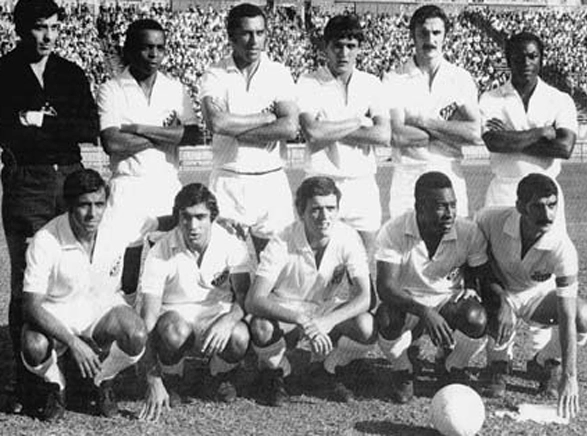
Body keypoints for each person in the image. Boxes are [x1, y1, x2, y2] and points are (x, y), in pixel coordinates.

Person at [0, 0, 98, 408]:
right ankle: (33, 384)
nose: (48, 36)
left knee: (78, 269)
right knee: (29, 277)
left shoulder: (70, 73)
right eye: (40, 27)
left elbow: (90, 128)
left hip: (69, 178)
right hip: (28, 180)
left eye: (54, 27)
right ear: (22, 28)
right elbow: (7, 130)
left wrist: (39, 121)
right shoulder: (4, 72)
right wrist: (47, 128)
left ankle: (81, 375)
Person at [20, 169, 147, 421]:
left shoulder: (118, 226)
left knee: (136, 334)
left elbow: (164, 221)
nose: (93, 214)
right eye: (84, 205)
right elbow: (31, 306)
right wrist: (72, 342)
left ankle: (104, 380)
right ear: (69, 205)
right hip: (57, 310)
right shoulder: (45, 239)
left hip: (100, 308)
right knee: (34, 345)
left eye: (99, 204)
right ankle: (57, 384)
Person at [246, 177, 375, 406]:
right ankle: (278, 373)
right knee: (261, 327)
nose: (325, 217)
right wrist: (301, 320)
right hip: (286, 307)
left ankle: (327, 368)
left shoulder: (348, 236)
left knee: (367, 326)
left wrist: (327, 321)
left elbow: (366, 297)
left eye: (330, 208)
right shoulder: (282, 240)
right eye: (316, 209)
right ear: (300, 211)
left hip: (324, 307)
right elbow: (254, 300)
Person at [476, 173, 587, 420]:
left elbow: (567, 312)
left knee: (583, 319)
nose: (547, 214)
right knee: (480, 309)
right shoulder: (489, 219)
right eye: (538, 206)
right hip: (500, 292)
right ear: (519, 206)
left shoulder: (562, 247)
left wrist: (569, 376)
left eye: (552, 205)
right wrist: (499, 298)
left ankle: (545, 361)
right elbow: (475, 263)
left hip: (537, 297)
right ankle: (497, 364)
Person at [97, 18, 200, 300]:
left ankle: (162, 330)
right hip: (127, 186)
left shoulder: (175, 89)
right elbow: (113, 142)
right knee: (123, 273)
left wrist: (142, 129)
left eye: (159, 47)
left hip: (166, 185)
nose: (154, 55)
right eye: (146, 48)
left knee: (169, 265)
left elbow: (192, 135)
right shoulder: (112, 89)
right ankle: (123, 336)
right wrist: (167, 134)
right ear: (130, 50)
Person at [138, 183, 252, 421]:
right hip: (176, 318)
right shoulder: (160, 251)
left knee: (239, 336)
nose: (193, 225)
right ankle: (173, 377)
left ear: (213, 217)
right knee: (173, 330)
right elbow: (148, 318)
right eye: (186, 217)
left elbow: (244, 296)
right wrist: (153, 377)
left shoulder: (231, 244)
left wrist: (229, 321)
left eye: (200, 217)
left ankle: (216, 375)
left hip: (215, 316)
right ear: (178, 217)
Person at [375, 171, 489, 403]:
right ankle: (403, 370)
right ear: (420, 207)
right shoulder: (394, 230)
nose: (450, 214)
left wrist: (471, 286)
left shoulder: (468, 231)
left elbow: (482, 275)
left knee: (476, 317)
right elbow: (386, 287)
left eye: (453, 205)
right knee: (387, 318)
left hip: (447, 301)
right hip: (409, 303)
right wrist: (424, 312)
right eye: (441, 207)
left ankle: (451, 367)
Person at [199, 3, 299, 258]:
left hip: (271, 180)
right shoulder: (215, 74)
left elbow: (289, 126)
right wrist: (265, 118)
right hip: (228, 180)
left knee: (277, 270)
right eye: (246, 33)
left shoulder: (279, 73)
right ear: (231, 36)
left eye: (260, 32)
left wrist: (236, 129)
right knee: (228, 273)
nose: (254, 40)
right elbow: (217, 124)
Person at [297, 14, 390, 253]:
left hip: (362, 185)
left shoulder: (371, 84)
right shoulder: (308, 82)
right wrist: (359, 120)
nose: (344, 53)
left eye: (351, 46)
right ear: (325, 47)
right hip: (321, 183)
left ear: (359, 49)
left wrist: (332, 127)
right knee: (316, 267)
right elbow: (314, 133)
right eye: (337, 46)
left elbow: (382, 135)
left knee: (365, 267)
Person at [382, 5, 480, 219]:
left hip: (449, 171)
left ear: (445, 35)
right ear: (413, 36)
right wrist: (451, 131)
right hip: (408, 175)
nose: (430, 39)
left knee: (451, 246)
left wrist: (423, 122)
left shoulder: (460, 78)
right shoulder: (394, 79)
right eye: (423, 33)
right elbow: (398, 136)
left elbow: (473, 134)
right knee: (407, 247)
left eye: (436, 32)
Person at [479, 32, 577, 228]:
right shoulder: (490, 98)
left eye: (532, 56)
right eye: (519, 57)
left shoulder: (559, 99)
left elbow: (564, 148)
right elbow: (494, 143)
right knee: (500, 255)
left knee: (546, 254)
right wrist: (540, 133)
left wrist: (510, 138)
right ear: (509, 60)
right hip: (504, 191)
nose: (526, 62)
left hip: (546, 192)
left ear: (541, 59)